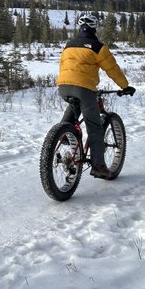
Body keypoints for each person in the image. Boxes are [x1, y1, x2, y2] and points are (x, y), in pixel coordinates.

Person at [56, 13, 135, 179]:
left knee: (74, 107)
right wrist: (125, 86)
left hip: (63, 86)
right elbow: (112, 69)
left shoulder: (69, 45)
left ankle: (63, 133)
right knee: (94, 126)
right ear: (94, 27)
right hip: (84, 89)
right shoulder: (98, 47)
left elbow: (64, 65)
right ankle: (98, 166)